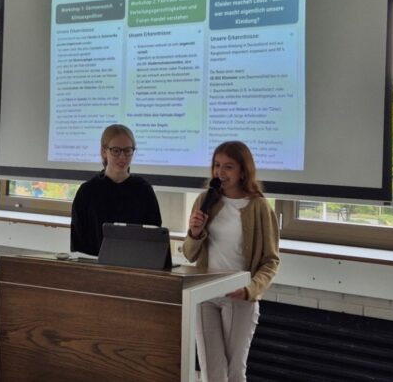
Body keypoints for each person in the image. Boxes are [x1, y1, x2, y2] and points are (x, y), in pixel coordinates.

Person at [183, 141, 279, 382]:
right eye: (217, 165)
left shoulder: (259, 207)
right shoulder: (205, 200)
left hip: (239, 296)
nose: (220, 172)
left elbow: (270, 261)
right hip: (205, 293)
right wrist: (194, 233)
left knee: (235, 372)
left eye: (228, 166)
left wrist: (250, 289)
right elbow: (189, 254)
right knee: (211, 371)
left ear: (243, 171)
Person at [70, 124, 162, 256]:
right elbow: (78, 239)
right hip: (94, 264)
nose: (122, 157)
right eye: (116, 150)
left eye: (128, 150)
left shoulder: (143, 189)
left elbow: (154, 235)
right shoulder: (87, 191)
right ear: (104, 152)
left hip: (134, 264)